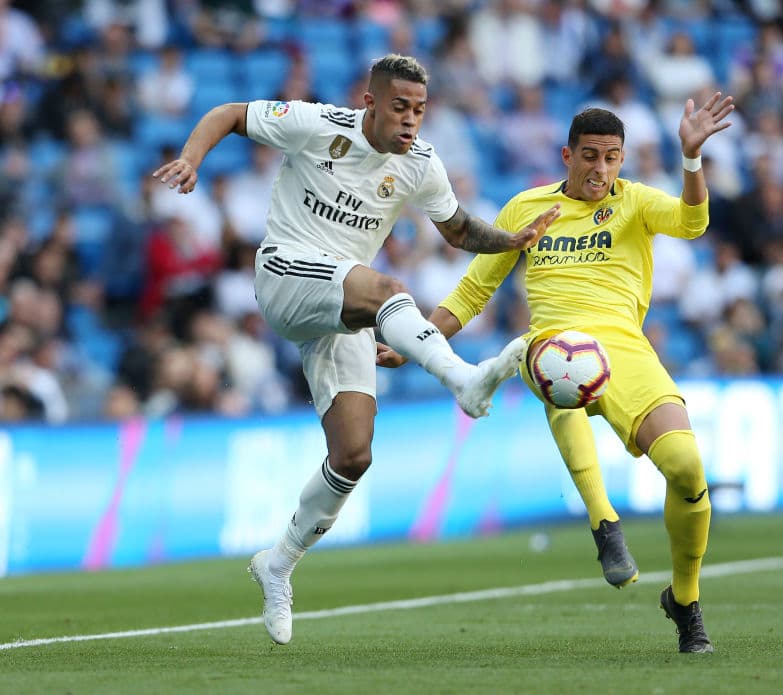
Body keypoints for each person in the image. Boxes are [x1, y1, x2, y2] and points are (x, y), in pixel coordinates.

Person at [152, 54, 560, 645]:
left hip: (341, 305)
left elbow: (457, 230)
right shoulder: (316, 124)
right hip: (286, 274)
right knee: (390, 288)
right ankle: (463, 380)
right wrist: (192, 160)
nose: (411, 121)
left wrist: (511, 239)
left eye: (420, 110)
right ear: (370, 103)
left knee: (353, 455)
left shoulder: (421, 164)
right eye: (400, 107)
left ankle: (279, 561)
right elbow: (230, 112)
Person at [379, 95, 734, 653]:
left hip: (626, 350)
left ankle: (685, 601)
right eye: (590, 156)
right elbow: (475, 290)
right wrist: (418, 342)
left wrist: (690, 158)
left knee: (687, 469)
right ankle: (604, 523)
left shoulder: (636, 202)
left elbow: (693, 222)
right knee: (555, 365)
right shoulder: (526, 209)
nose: (601, 169)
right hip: (554, 339)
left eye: (612, 158)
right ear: (567, 155)